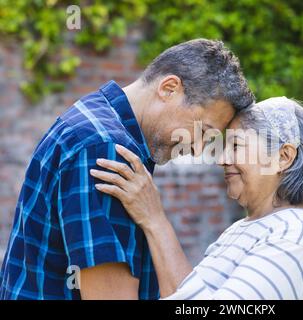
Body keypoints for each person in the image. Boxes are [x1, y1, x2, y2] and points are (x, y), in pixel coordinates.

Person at [0, 39, 254, 300]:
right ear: (169, 88)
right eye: (203, 130)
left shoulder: (95, 120)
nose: (198, 148)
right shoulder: (105, 149)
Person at [90, 97, 303, 299]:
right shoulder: (244, 228)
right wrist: (152, 220)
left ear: (283, 156)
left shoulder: (293, 232)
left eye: (236, 145)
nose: (222, 158)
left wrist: (155, 219)